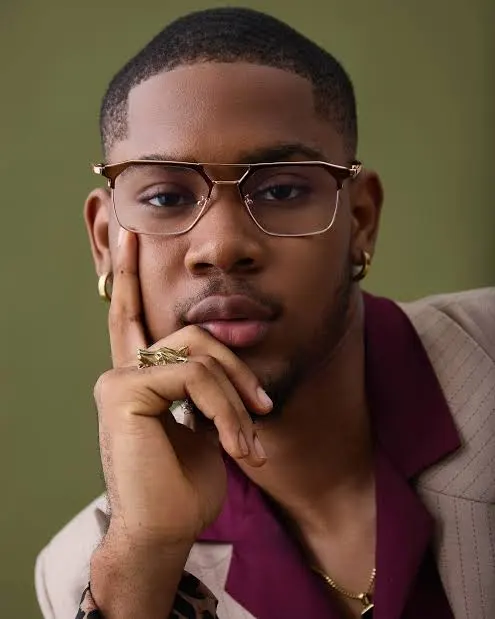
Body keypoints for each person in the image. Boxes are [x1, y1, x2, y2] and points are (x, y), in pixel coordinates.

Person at [35, 7, 495, 619]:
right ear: (105, 242)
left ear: (360, 221)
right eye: (166, 196)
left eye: (281, 190)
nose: (223, 246)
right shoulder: (86, 574)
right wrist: (146, 560)